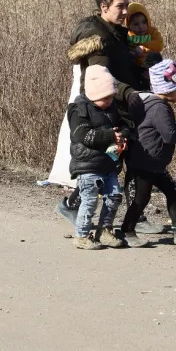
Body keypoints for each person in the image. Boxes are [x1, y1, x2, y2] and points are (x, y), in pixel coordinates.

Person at [51, 0, 158, 230]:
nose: (126, 11)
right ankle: (81, 207)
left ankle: (132, 215)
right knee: (108, 162)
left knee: (120, 160)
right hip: (103, 107)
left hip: (121, 103)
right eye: (121, 6)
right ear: (104, 7)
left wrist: (143, 71)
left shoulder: (117, 33)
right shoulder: (97, 38)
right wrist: (130, 92)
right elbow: (101, 78)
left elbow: (122, 67)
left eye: (126, 5)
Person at [120, 58, 176, 248]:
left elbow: (165, 129)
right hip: (145, 162)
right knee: (141, 198)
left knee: (172, 190)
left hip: (154, 162)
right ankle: (126, 230)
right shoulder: (159, 107)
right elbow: (169, 135)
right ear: (166, 89)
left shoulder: (156, 105)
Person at [67, 65, 133, 250]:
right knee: (89, 200)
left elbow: (122, 125)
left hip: (108, 163)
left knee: (114, 196)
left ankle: (105, 230)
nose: (110, 100)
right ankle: (81, 235)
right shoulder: (78, 109)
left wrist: (123, 135)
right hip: (87, 163)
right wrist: (110, 136)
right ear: (94, 94)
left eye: (112, 96)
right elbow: (83, 135)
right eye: (106, 97)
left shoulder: (110, 107)